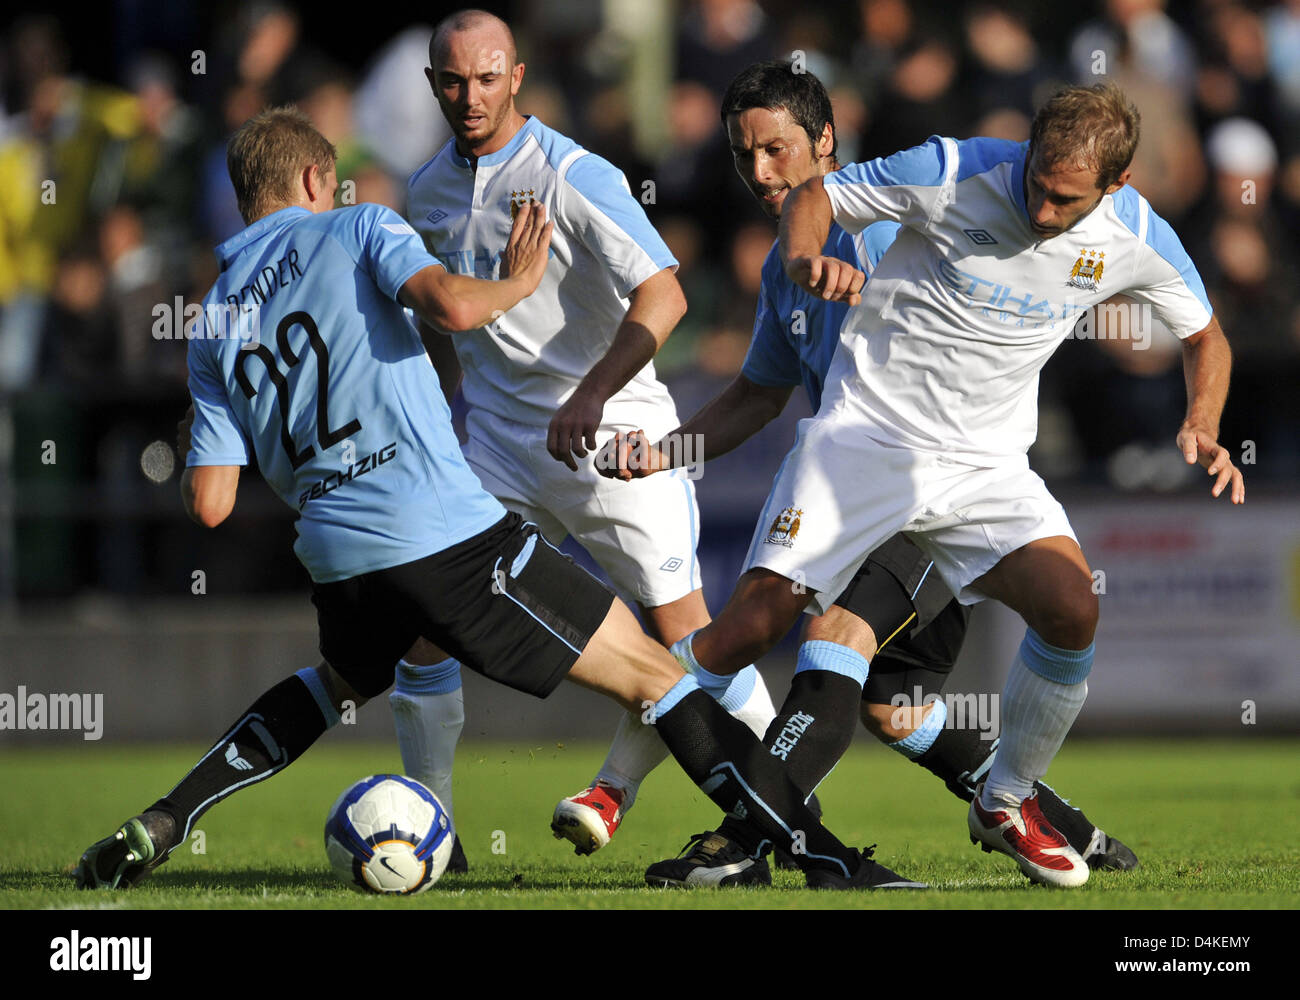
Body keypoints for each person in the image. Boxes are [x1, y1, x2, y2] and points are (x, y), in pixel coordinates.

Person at [72, 106, 911, 892]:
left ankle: (167, 816)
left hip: (334, 555)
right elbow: (452, 305)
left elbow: (211, 502)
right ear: (313, 184)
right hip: (441, 535)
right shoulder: (359, 225)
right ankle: (820, 853)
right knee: (662, 675)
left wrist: (210, 432)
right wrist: (516, 280)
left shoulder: (214, 316)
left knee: (337, 683)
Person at [625, 80, 1243, 888]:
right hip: (865, 440)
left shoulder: (1136, 236)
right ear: (1024, 152)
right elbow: (819, 195)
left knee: (1071, 608)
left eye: (1067, 201)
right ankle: (624, 776)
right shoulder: (953, 170)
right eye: (1037, 187)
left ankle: (1005, 800)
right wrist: (810, 256)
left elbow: (1207, 335)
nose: (1045, 212)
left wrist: (1203, 421)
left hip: (984, 468)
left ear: (1116, 187)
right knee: (754, 627)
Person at [394, 8, 776, 862]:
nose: (470, 96)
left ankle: (785, 802)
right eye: (453, 80)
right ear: (431, 84)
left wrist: (594, 394)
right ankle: (432, 827)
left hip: (613, 441)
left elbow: (666, 294)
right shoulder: (423, 192)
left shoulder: (574, 173)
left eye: (487, 77)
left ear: (516, 75)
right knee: (428, 620)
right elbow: (444, 324)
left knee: (689, 640)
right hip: (499, 447)